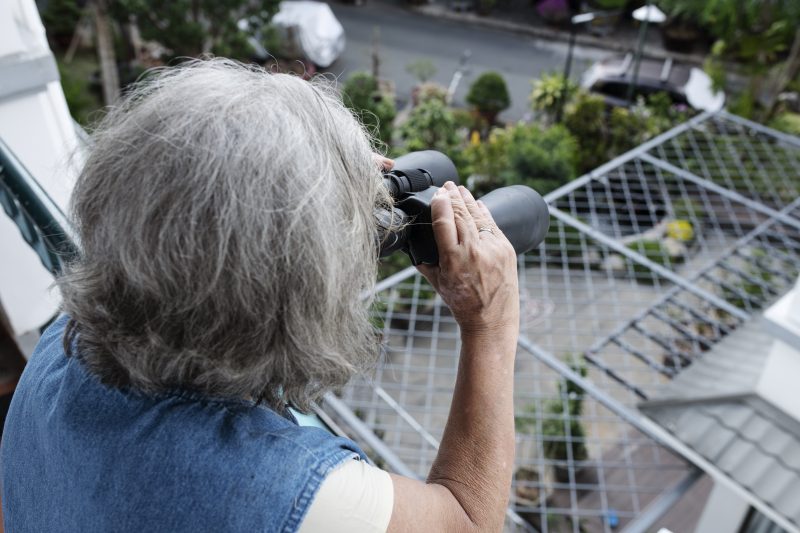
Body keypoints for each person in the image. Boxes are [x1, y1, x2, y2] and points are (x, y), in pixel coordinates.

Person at [1, 59, 520, 532]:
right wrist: (488, 322)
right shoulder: (286, 491)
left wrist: (330, 170)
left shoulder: (62, 346)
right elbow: (468, 520)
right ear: (292, 303)